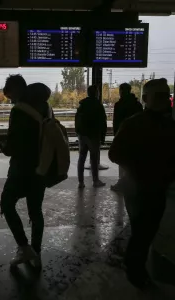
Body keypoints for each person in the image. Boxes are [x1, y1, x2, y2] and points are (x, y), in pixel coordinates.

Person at [109, 78, 175, 288]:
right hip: (145, 188)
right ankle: (135, 270)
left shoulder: (136, 123)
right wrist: (142, 170)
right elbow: (114, 154)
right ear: (146, 99)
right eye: (160, 96)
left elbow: (115, 153)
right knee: (142, 232)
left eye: (167, 95)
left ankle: (135, 266)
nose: (165, 100)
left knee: (143, 230)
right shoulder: (158, 125)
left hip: (148, 186)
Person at [0, 81, 51, 268]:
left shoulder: (20, 111)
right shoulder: (46, 109)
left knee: (6, 203)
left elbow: (13, 147)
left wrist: (2, 143)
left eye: (10, 97)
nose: (11, 101)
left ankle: (24, 247)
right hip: (41, 168)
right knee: (35, 210)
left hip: (21, 169)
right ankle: (36, 251)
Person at [110, 83, 143, 192]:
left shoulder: (119, 105)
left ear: (121, 91)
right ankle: (133, 182)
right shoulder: (137, 104)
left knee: (121, 160)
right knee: (133, 161)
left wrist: (116, 136)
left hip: (123, 137)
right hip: (136, 137)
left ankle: (122, 183)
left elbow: (116, 123)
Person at [75, 85, 107, 188]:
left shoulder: (82, 104)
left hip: (82, 135)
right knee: (94, 158)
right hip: (94, 135)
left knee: (81, 158)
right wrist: (102, 137)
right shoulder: (98, 105)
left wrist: (78, 133)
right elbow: (103, 122)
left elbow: (77, 120)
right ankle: (95, 181)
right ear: (97, 93)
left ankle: (81, 182)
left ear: (88, 93)